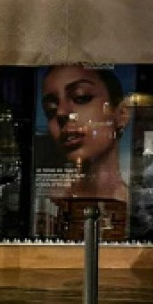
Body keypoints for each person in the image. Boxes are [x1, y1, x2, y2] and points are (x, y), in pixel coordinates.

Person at [40, 64, 131, 204]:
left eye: (81, 97)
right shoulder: (44, 201)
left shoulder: (141, 205)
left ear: (121, 114)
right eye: (50, 109)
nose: (61, 113)